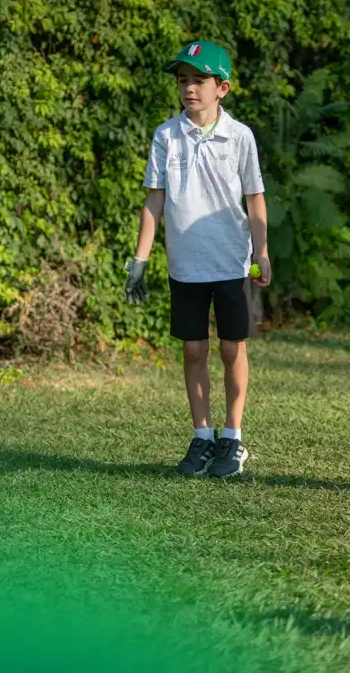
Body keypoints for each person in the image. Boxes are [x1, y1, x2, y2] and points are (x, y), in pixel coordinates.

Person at [124, 40, 271, 478]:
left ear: (221, 88)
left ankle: (233, 437)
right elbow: (154, 200)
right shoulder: (166, 135)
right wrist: (139, 260)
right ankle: (203, 436)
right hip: (185, 264)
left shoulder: (240, 136)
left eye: (199, 80)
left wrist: (262, 252)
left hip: (231, 261)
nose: (189, 88)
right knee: (193, 348)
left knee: (231, 347)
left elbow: (255, 199)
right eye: (182, 80)